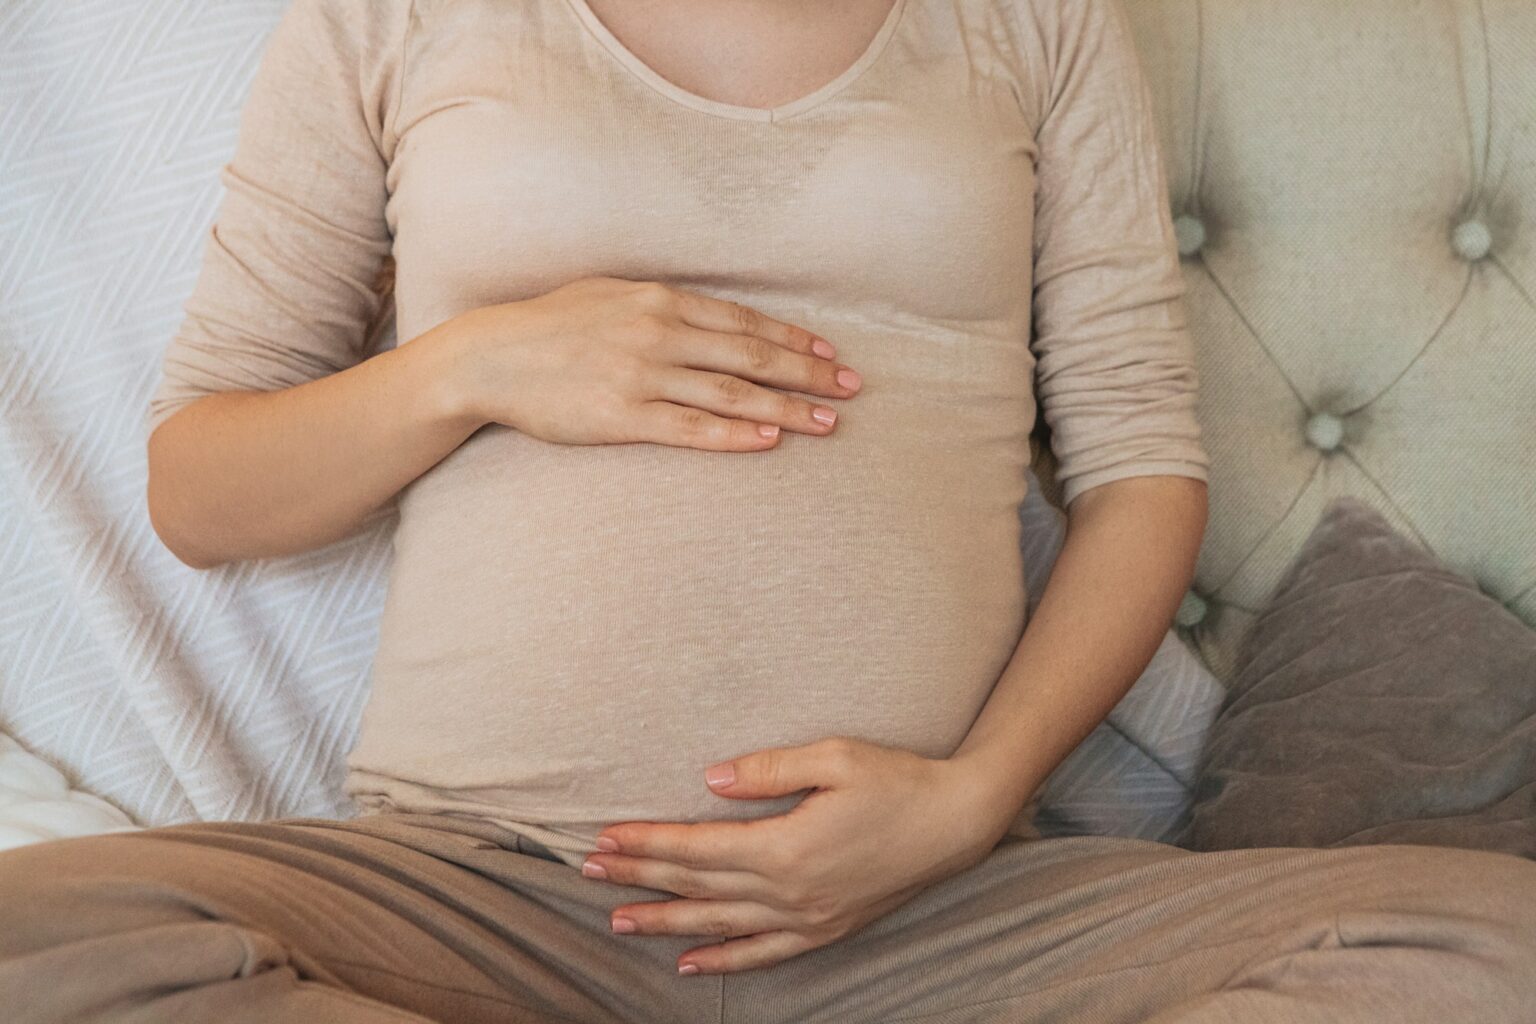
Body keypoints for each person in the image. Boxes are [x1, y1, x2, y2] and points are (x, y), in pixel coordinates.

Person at [3, 0, 1534, 1020]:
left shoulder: (1028, 18)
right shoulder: (396, 13)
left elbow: (1142, 468)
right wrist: (472, 366)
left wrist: (969, 800)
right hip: (481, 899)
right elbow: (200, 486)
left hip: (942, 918)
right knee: (37, 943)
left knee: (1490, 946)